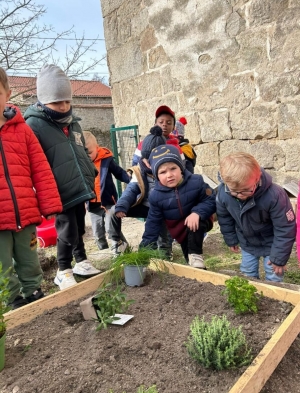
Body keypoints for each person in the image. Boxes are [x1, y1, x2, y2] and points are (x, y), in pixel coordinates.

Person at [24, 64, 99, 290]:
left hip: (78, 184)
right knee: (67, 230)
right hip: (57, 189)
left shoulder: (73, 122)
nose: (63, 106)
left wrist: (89, 170)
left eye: (67, 101)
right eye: (57, 102)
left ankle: (81, 261)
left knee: (79, 225)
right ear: (43, 100)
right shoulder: (34, 125)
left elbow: (80, 150)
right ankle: (63, 269)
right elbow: (34, 162)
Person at [0, 67, 62, 309]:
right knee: (2, 264)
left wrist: (49, 203)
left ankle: (34, 292)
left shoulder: (21, 128)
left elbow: (40, 168)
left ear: (7, 93)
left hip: (25, 213)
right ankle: (11, 300)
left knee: (29, 259)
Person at [217, 152, 296, 282]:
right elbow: (224, 218)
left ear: (258, 178)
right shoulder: (223, 194)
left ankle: (275, 298)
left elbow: (285, 228)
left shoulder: (275, 195)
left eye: (246, 190)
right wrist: (231, 239)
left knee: (274, 275)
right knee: (248, 274)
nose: (240, 195)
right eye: (235, 191)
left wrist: (279, 258)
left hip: (272, 244)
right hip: (247, 242)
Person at [140, 144, 216, 268]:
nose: (169, 175)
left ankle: (196, 255)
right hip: (180, 231)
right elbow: (152, 224)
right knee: (193, 263)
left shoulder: (196, 181)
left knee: (194, 250)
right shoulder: (156, 196)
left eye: (173, 168)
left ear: (181, 168)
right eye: (163, 172)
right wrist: (144, 249)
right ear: (156, 176)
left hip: (199, 221)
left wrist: (197, 212)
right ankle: (200, 273)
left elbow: (211, 200)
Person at [109, 126, 172, 257]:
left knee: (161, 223)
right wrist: (122, 205)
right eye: (146, 160)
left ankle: (165, 250)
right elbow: (131, 190)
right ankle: (118, 242)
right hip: (143, 206)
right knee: (112, 211)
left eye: (153, 160)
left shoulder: (168, 172)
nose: (149, 164)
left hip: (162, 209)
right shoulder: (139, 171)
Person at [82, 131, 131, 250]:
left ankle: (123, 247)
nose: (87, 155)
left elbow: (118, 172)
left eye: (90, 152)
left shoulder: (106, 159)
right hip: (93, 206)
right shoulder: (81, 163)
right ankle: (104, 252)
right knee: (98, 234)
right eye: (84, 153)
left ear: (97, 147)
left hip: (108, 201)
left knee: (112, 228)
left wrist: (130, 178)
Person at [132, 105, 194, 172]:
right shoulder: (144, 143)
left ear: (173, 127)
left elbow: (183, 166)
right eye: (161, 122)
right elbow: (135, 164)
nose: (164, 124)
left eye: (169, 123)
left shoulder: (176, 146)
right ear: (155, 124)